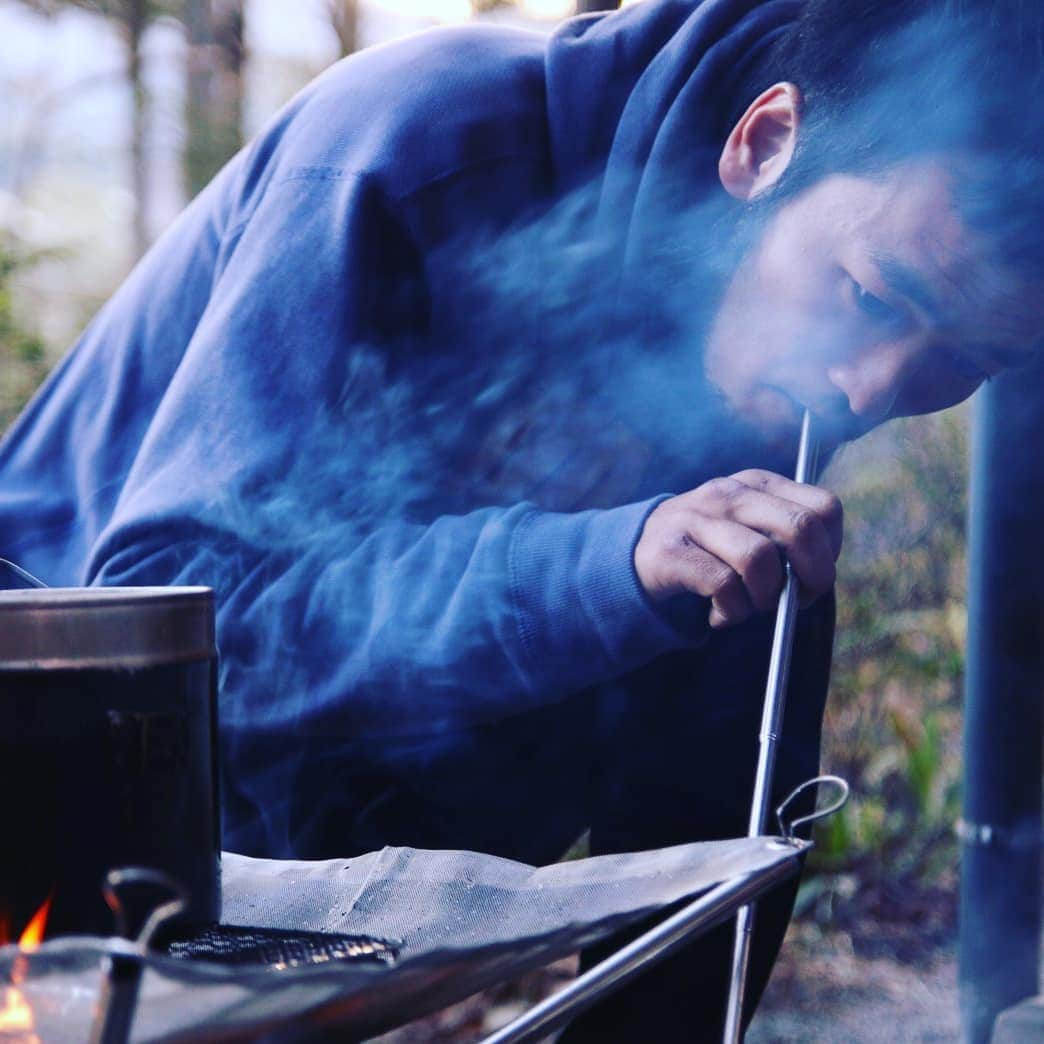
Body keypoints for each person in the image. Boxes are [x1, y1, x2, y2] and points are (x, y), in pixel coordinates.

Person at [2, 0, 1043, 1037]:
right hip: (45, 834)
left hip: (279, 936)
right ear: (764, 143)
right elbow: (172, 633)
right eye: (870, 296)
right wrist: (607, 567)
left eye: (960, 362)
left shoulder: (763, 393)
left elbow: (702, 867)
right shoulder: (413, 152)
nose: (873, 391)